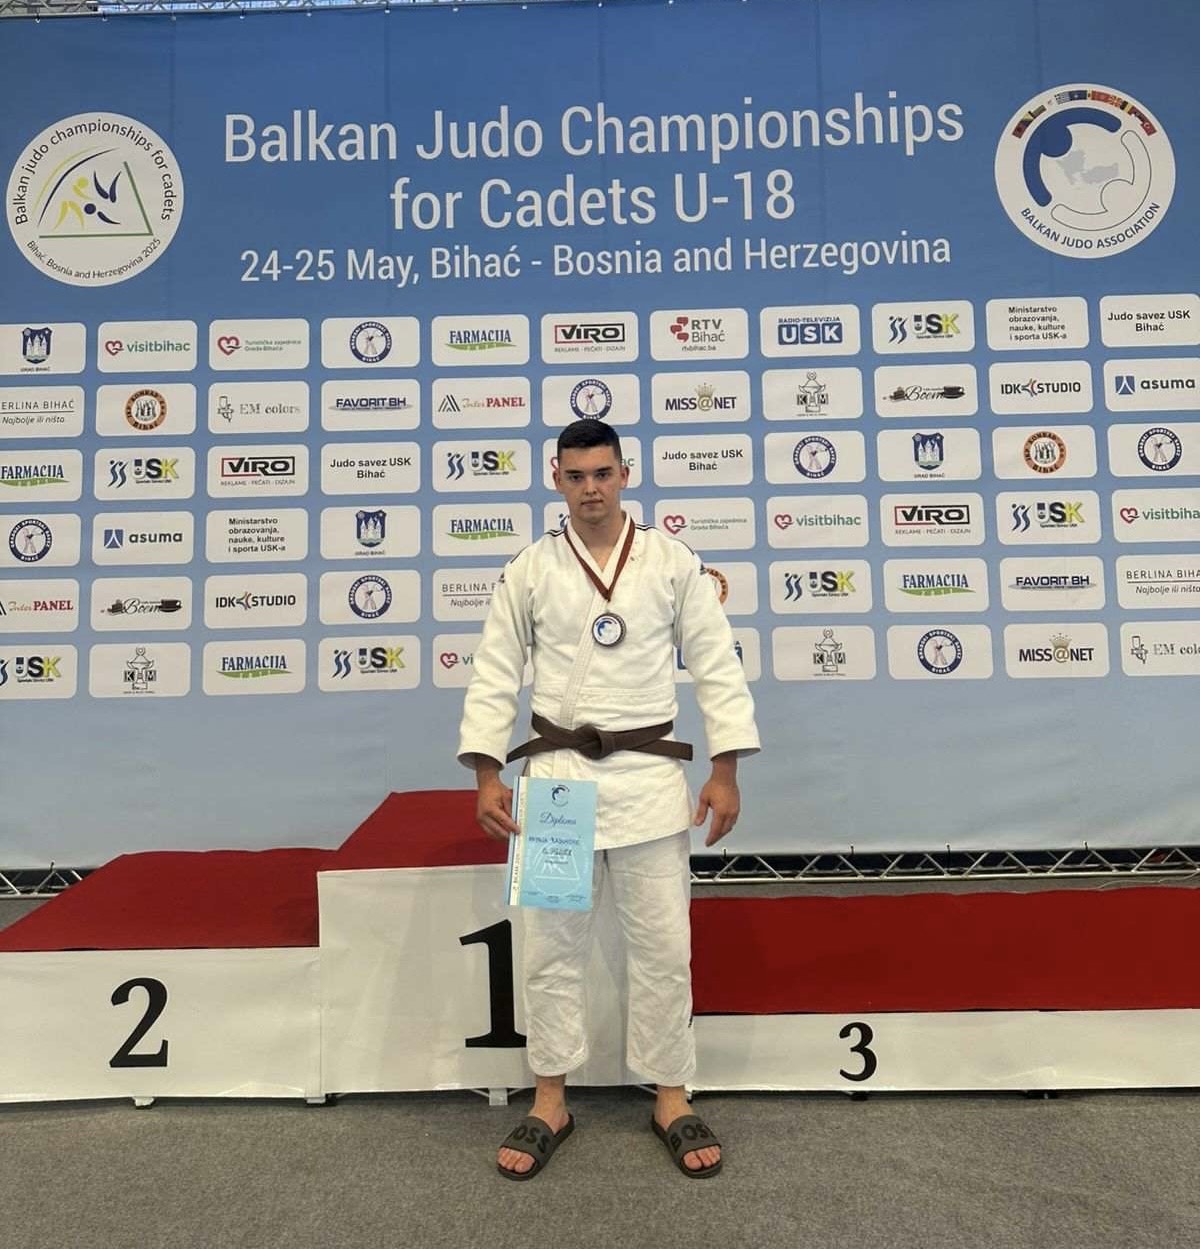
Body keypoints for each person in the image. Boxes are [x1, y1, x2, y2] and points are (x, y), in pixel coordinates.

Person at [457, 419, 759, 1181]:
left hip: (650, 780)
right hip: (558, 780)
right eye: (576, 475)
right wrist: (487, 772)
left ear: (625, 473)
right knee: (549, 948)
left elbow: (717, 665)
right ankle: (549, 1097)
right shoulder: (531, 567)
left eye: (602, 473)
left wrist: (725, 768)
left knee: (662, 947)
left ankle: (672, 1094)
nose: (590, 488)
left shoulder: (671, 561)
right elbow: (495, 670)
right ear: (555, 478)